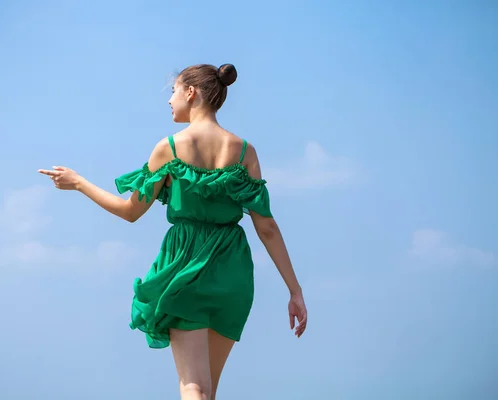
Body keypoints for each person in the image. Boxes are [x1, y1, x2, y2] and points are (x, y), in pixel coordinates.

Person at [38, 63, 307, 400]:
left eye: (173, 90)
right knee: (208, 391)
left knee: (194, 387)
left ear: (190, 92)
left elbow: (130, 211)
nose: (170, 100)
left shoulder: (170, 147)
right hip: (233, 270)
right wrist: (294, 291)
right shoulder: (244, 152)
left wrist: (78, 183)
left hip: (186, 262)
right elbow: (266, 226)